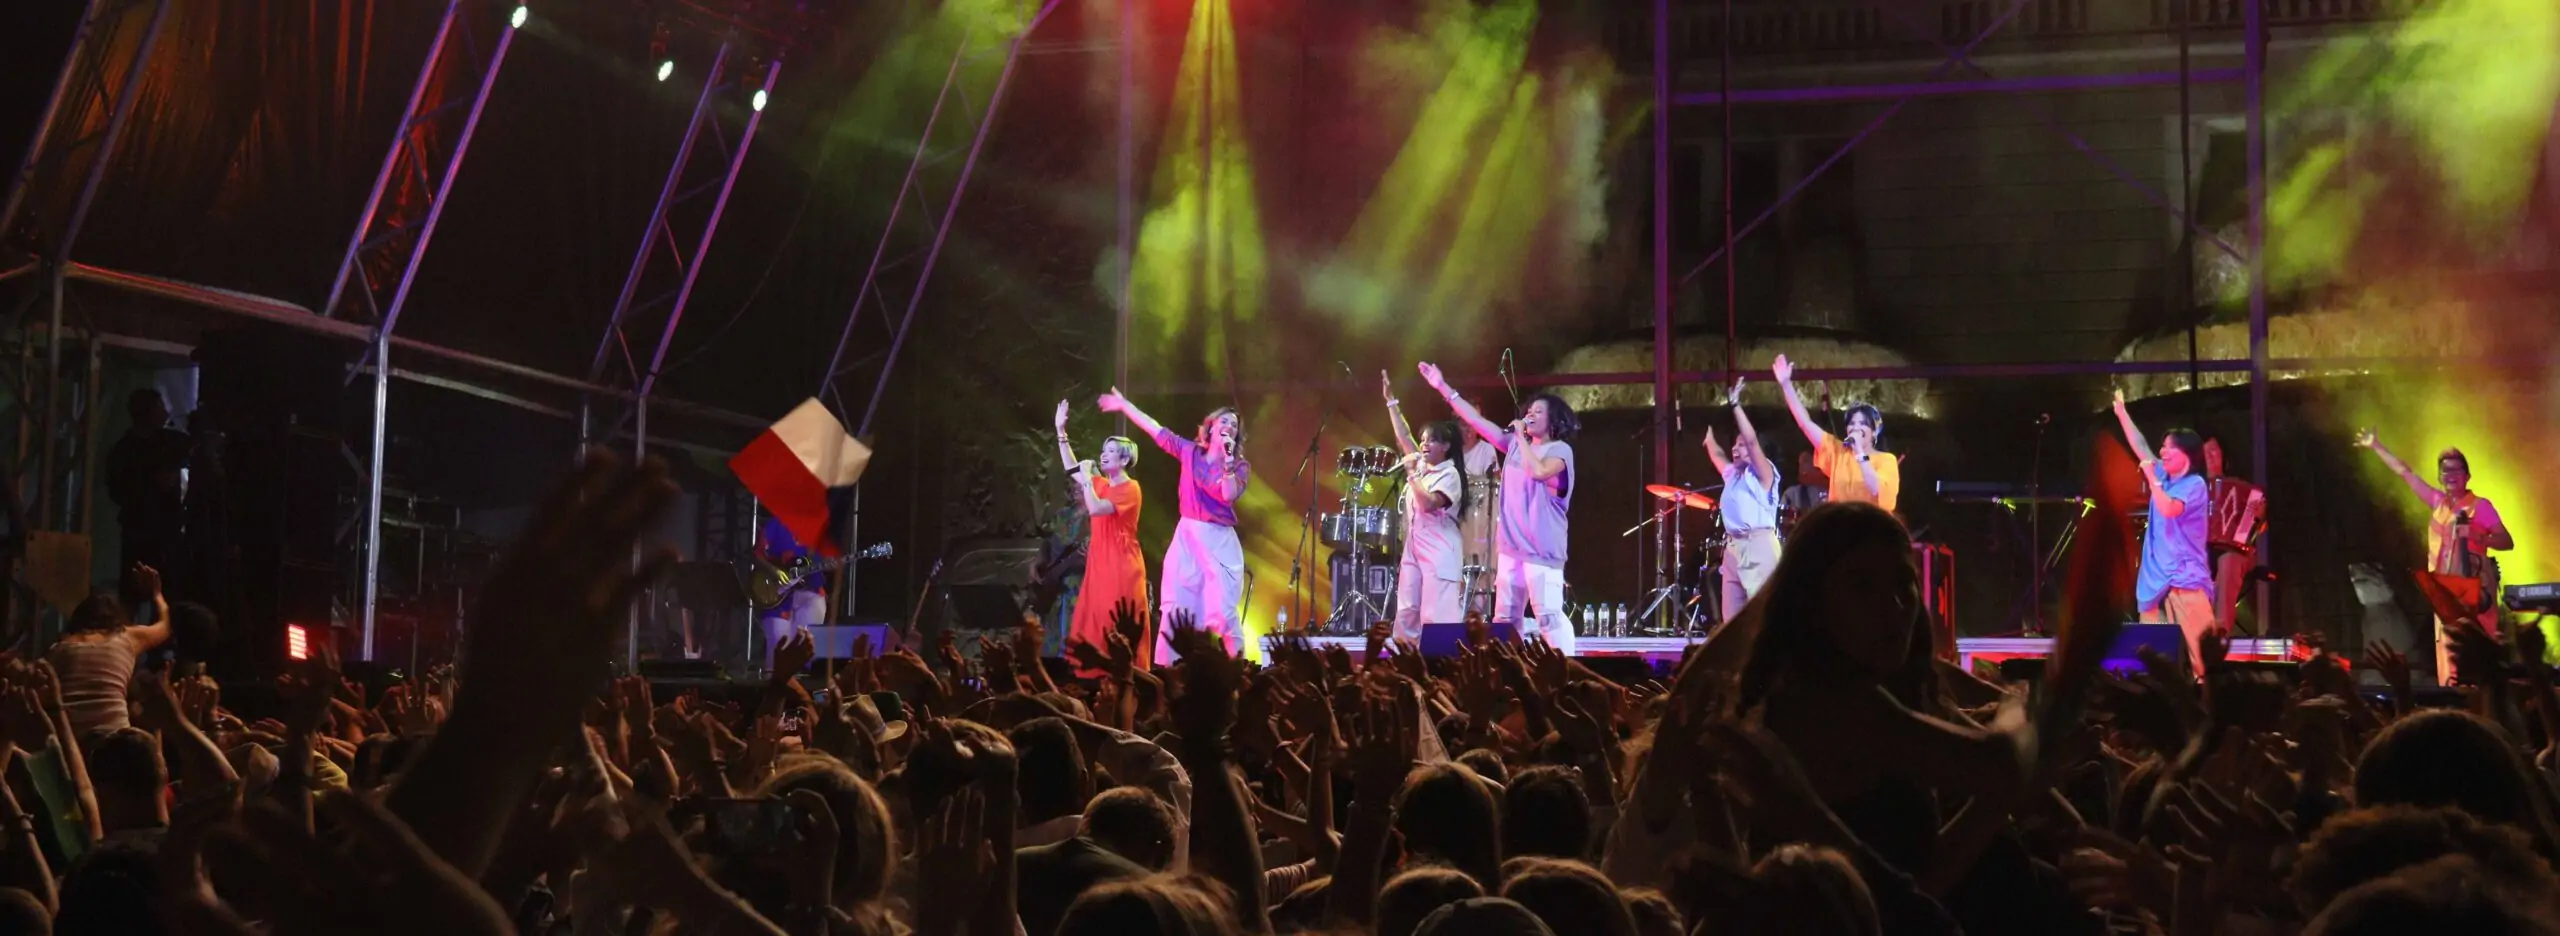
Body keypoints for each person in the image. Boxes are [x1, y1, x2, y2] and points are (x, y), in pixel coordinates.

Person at [1417, 361, 1578, 655]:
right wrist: (1442, 386)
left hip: (1542, 550)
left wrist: (1519, 437)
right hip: (1511, 549)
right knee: (1505, 620)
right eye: (1529, 411)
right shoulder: (1515, 445)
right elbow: (1476, 421)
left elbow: (1538, 471)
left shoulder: (1560, 450)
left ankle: (1566, 668)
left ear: (1553, 420)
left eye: (1538, 412)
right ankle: (1509, 671)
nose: (1530, 415)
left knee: (1548, 617)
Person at [1096, 388, 1251, 662]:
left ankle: (1237, 671)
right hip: (1188, 535)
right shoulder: (1190, 452)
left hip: (1218, 541)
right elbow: (1156, 430)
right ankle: (1168, 670)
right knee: (1175, 607)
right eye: (1224, 421)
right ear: (1211, 427)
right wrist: (1124, 405)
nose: (1229, 426)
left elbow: (1228, 494)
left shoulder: (1239, 466)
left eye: (1234, 425)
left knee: (1223, 613)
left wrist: (1228, 463)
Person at [2356, 430, 2513, 683]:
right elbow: (2405, 473)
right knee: (2449, 654)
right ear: (2440, 477)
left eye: (2455, 469)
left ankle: (2484, 694)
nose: (2450, 475)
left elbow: (2507, 541)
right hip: (2443, 593)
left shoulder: (2480, 506)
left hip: (2472, 592)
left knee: (2476, 653)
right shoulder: (2438, 502)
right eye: (2445, 470)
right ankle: (2455, 694)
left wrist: (2478, 536)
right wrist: (2376, 446)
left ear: (2467, 475)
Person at [2110, 389, 2215, 668]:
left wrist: (2151, 478)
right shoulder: (2163, 476)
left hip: (2185, 584)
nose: (2162, 453)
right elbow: (2141, 447)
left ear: (2187, 454)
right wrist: (2122, 413)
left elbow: (2169, 508)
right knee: (2154, 664)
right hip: (2154, 586)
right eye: (2163, 447)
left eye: (2169, 448)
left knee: (2200, 662)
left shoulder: (2194, 485)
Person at [1056, 400, 1150, 673]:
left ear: (1124, 460)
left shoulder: (1130, 488)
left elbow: (1096, 508)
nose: (1103, 454)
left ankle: (1126, 676)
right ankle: (1093, 678)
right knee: (1095, 619)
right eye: (1103, 450)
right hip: (1100, 561)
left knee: (1114, 620)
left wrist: (1087, 478)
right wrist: (1061, 431)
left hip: (1121, 564)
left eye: (1110, 451)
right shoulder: (1101, 485)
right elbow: (1071, 466)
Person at [1382, 371, 1468, 642]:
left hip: (1440, 550)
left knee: (1437, 617)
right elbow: (1404, 437)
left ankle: (1441, 665)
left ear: (1446, 446)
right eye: (1424, 439)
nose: (1424, 444)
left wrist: (1411, 474)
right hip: (1414, 546)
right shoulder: (1421, 466)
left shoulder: (1449, 475)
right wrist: (1391, 401)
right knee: (1406, 613)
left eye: (1431, 440)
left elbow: (1429, 503)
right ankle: (1406, 664)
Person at [47, 565, 173, 737]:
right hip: (115, 741)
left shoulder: (59, 649)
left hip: (69, 741)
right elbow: (165, 626)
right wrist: (157, 594)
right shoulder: (125, 639)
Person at [1770, 355, 1899, 512]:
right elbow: (1805, 423)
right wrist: (1786, 384)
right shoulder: (1838, 452)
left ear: (1874, 432)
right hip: (1838, 524)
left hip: (1869, 525)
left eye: (1863, 424)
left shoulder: (1887, 460)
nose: (1855, 427)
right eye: (1852, 423)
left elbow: (1876, 489)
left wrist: (1859, 453)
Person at [1705, 376, 1782, 624]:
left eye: (1741, 446)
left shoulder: (1765, 475)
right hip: (1733, 548)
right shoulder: (1734, 475)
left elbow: (1751, 440)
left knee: (1762, 615)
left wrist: (1735, 405)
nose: (1736, 449)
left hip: (1759, 546)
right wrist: (1709, 438)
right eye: (1735, 445)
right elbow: (1717, 454)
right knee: (1732, 618)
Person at [104, 390, 190, 578]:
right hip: (141, 530)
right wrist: (151, 485)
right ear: (147, 411)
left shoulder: (169, 441)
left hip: (166, 530)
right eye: (160, 407)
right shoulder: (126, 451)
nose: (165, 412)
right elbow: (117, 489)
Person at [2202, 438, 2267, 634]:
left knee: (2229, 562)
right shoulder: (2189, 488)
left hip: (2234, 550)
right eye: (2203, 451)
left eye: (2213, 450)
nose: (2208, 455)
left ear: (2224, 456)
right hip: (2199, 552)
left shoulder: (2243, 489)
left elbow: (2257, 528)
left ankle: (2220, 635)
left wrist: (2258, 517)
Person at [754, 513, 827, 668]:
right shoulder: (776, 523)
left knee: (803, 650)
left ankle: (801, 679)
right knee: (777, 652)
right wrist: (774, 570)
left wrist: (834, 563)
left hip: (810, 593)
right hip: (776, 595)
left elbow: (824, 561)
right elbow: (757, 554)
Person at [1780, 451, 1829, 533]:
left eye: (1806, 460)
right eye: (1802, 462)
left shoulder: (1838, 493)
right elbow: (1785, 529)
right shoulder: (1791, 495)